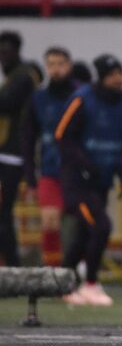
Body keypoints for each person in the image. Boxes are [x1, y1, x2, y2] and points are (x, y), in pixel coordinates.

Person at [55, 54, 122, 306]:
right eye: (112, 75)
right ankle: (90, 282)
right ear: (102, 77)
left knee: (84, 235)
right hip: (78, 182)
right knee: (101, 226)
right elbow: (62, 135)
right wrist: (85, 165)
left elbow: (120, 142)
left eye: (120, 73)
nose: (118, 79)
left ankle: (63, 284)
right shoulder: (82, 99)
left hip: (102, 181)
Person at [23, 47, 76, 266]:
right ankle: (52, 273)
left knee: (76, 225)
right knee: (50, 221)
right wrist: (29, 176)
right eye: (51, 64)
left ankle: (76, 271)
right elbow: (28, 138)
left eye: (60, 64)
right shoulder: (38, 99)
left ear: (69, 66)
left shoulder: (80, 97)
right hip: (49, 170)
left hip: (76, 173)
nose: (56, 69)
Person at [0, 30, 35, 266]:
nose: (3, 57)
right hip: (8, 152)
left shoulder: (24, 76)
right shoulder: (15, 77)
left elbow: (6, 103)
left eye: (6, 52)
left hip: (14, 155)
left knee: (4, 214)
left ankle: (12, 266)